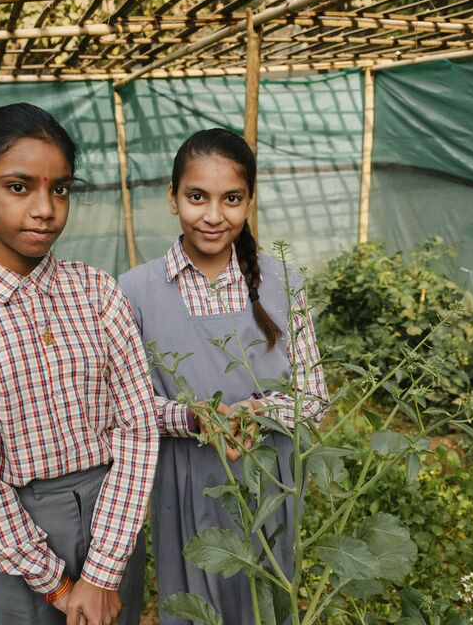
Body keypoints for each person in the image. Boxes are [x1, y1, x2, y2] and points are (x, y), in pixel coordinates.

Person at [0, 103, 158, 625]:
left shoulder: (97, 292)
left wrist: (104, 570)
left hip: (116, 510)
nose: (45, 208)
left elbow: (137, 427)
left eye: (61, 188)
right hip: (22, 535)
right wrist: (63, 585)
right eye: (19, 187)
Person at [118, 128, 328, 625]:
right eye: (197, 197)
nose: (213, 216)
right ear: (172, 198)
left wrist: (257, 411)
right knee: (197, 605)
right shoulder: (132, 291)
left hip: (270, 477)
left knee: (266, 599)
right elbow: (125, 405)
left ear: (250, 201)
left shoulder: (284, 282)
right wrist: (196, 418)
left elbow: (314, 397)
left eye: (231, 198)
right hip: (185, 481)